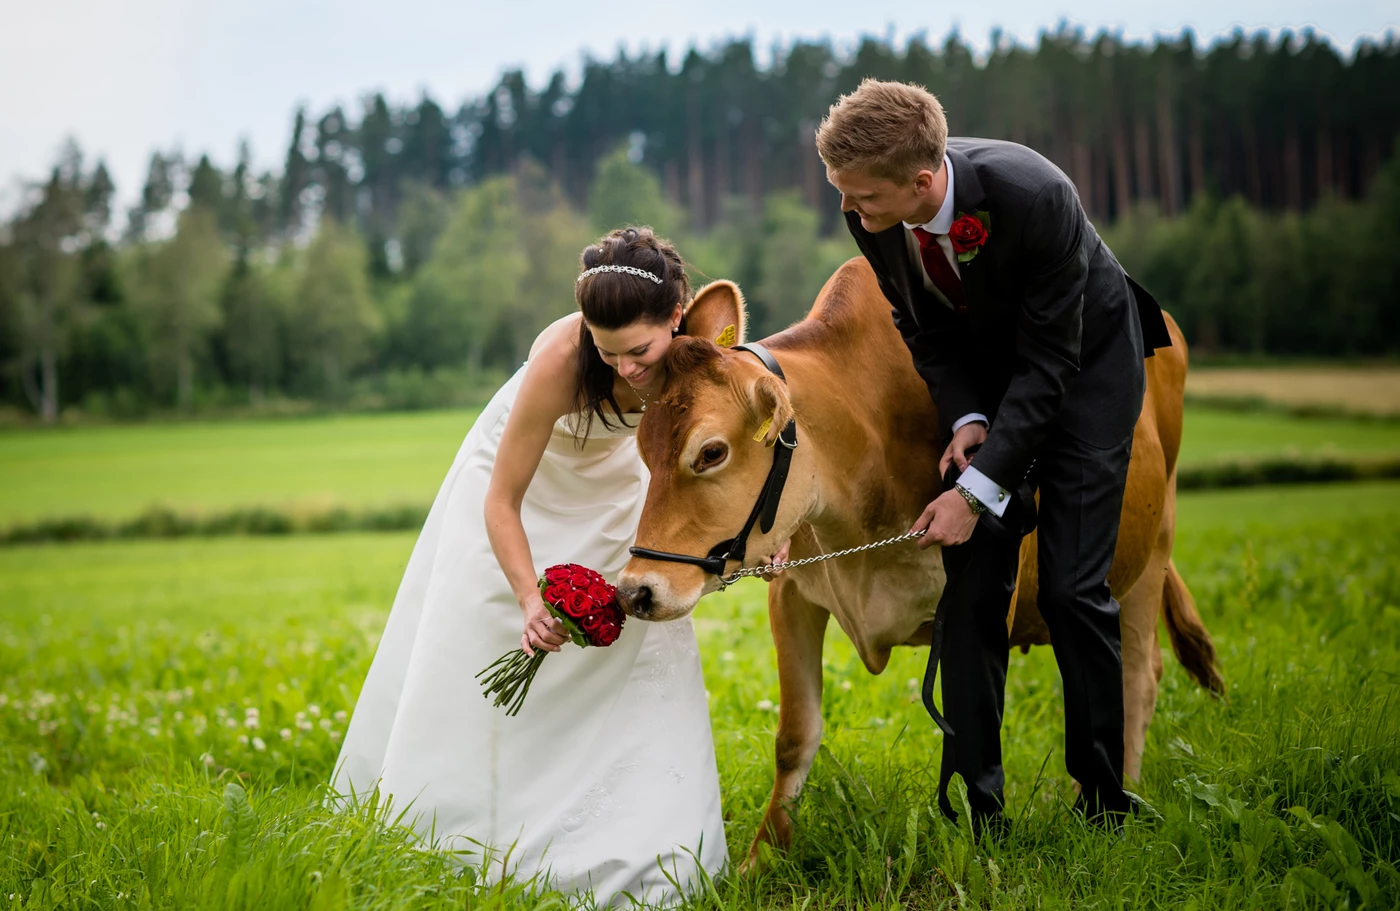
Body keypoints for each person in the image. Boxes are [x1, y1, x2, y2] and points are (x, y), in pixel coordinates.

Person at [331, 227, 730, 905]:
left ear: (676, 315)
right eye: (607, 353)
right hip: (527, 488)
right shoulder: (560, 362)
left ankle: (648, 839)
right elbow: (501, 500)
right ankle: (469, 829)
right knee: (487, 634)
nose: (626, 369)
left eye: (640, 350)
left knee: (636, 643)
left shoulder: (705, 354)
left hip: (621, 487)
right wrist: (527, 597)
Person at [817, 80, 1173, 832]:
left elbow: (1050, 369)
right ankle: (978, 806)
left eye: (863, 198)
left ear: (921, 181)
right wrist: (969, 417)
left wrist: (974, 491)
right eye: (844, 196)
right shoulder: (872, 211)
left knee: (1074, 592)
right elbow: (924, 330)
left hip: (1085, 369)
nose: (852, 213)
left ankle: (1104, 798)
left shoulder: (1035, 195)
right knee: (973, 590)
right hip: (994, 371)